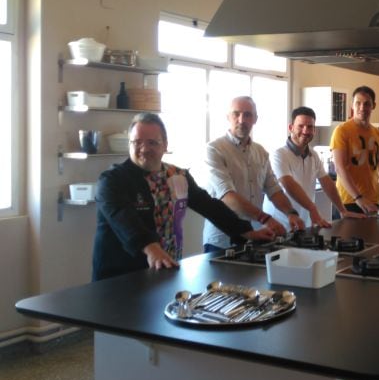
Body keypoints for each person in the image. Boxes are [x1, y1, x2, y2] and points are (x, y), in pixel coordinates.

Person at [92, 113, 272, 281]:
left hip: (164, 271)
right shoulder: (112, 180)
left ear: (165, 144)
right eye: (137, 142)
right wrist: (151, 248)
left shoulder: (177, 176)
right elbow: (123, 218)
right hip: (119, 278)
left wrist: (246, 231)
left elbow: (209, 206)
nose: (144, 149)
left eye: (152, 143)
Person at [203, 96, 304, 252]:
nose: (241, 120)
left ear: (255, 119)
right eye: (236, 114)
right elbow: (227, 195)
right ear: (228, 117)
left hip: (255, 237)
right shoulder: (214, 149)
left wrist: (291, 213)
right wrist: (265, 218)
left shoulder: (260, 152)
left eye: (248, 115)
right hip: (222, 241)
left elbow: (274, 190)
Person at [264, 106, 364, 228]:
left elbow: (327, 183)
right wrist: (312, 208)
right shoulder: (279, 155)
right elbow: (288, 184)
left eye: (310, 127)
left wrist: (343, 210)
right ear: (291, 128)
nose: (306, 131)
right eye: (301, 126)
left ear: (314, 130)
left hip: (303, 224)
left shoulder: (314, 155)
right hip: (279, 224)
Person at [330, 85, 379, 214]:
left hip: (373, 201)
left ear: (373, 105)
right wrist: (358, 197)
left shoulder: (378, 134)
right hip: (348, 201)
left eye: (367, 104)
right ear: (352, 105)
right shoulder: (342, 131)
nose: (362, 108)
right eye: (358, 103)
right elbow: (340, 168)